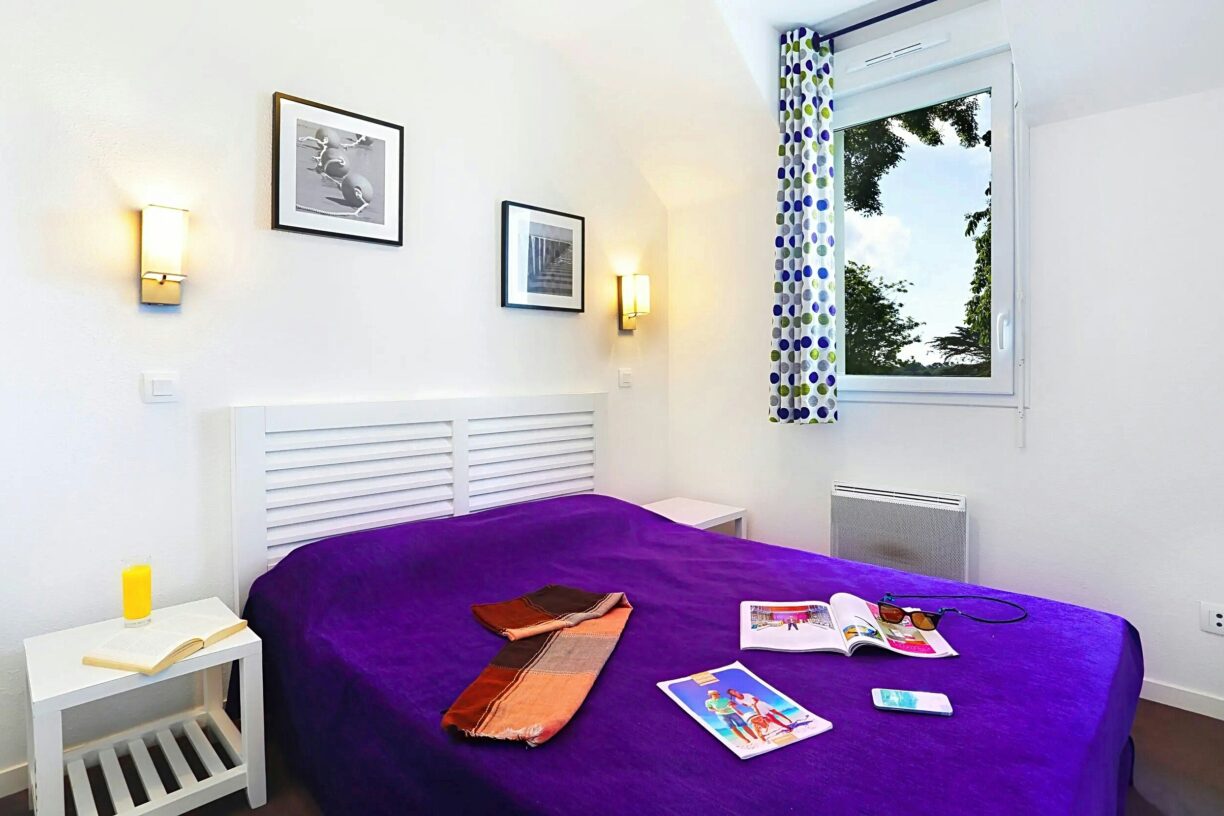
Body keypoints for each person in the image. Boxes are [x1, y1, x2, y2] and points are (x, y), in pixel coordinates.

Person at [727, 688, 793, 731]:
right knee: (772, 718)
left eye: (734, 690)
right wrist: (752, 705)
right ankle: (786, 727)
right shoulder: (737, 700)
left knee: (776, 712)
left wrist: (754, 704)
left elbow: (756, 699)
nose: (734, 691)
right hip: (756, 708)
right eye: (732, 692)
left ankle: (788, 719)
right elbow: (746, 705)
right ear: (732, 694)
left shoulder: (746, 694)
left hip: (761, 703)